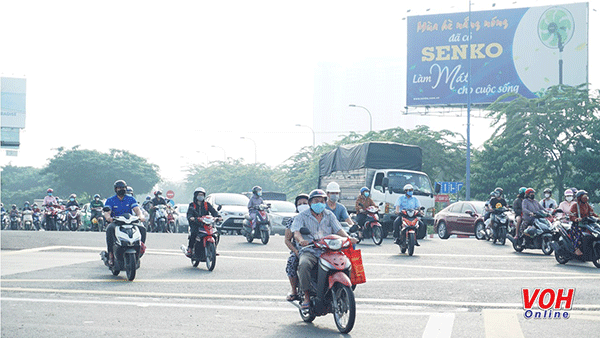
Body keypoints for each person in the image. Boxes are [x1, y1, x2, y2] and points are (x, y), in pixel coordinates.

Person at [291, 189, 357, 310]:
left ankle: (342, 293)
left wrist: (348, 238)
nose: (319, 203)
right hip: (310, 250)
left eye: (322, 201)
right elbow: (296, 232)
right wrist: (301, 241)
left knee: (346, 263)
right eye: (316, 201)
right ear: (310, 203)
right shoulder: (302, 216)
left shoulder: (329, 214)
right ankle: (306, 296)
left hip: (329, 250)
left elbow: (338, 230)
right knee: (304, 264)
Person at [103, 180, 146, 266]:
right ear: (116, 189)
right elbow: (107, 212)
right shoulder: (111, 200)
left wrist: (141, 216)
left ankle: (140, 248)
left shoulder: (130, 199)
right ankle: (111, 254)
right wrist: (108, 218)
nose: (121, 189)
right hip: (116, 222)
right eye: (119, 188)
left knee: (142, 229)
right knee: (109, 229)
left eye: (123, 188)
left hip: (129, 221)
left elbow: (137, 210)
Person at [284, 193, 309, 302]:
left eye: (305, 203)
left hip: (318, 248)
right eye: (300, 204)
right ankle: (294, 290)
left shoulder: (317, 217)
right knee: (292, 262)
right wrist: (296, 251)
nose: (303, 205)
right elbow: (287, 240)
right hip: (300, 250)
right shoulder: (293, 220)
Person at [185, 187, 220, 257]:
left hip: (206, 224)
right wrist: (192, 218)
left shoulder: (207, 204)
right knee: (194, 233)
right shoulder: (192, 205)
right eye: (199, 195)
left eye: (202, 195)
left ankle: (214, 248)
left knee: (216, 233)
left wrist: (218, 217)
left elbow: (213, 212)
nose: (200, 196)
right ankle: (190, 248)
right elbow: (189, 214)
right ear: (196, 196)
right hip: (196, 224)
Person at [569, 190, 598, 256]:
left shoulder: (587, 205)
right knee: (579, 234)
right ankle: (576, 248)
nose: (586, 197)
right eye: (584, 196)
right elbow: (571, 216)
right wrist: (576, 219)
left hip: (587, 225)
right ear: (579, 197)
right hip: (577, 225)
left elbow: (592, 213)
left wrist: (597, 217)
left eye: (586, 196)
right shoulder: (575, 206)